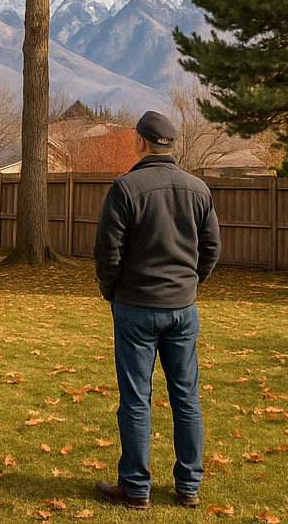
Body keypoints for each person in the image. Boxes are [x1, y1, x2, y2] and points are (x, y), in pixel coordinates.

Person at [93, 109, 221, 509]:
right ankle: (188, 488)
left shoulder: (126, 187)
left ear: (141, 142)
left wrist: (112, 290)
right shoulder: (198, 189)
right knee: (186, 396)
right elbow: (211, 249)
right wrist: (188, 284)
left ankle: (135, 488)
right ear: (171, 144)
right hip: (183, 310)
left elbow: (106, 251)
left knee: (136, 398)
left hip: (135, 307)